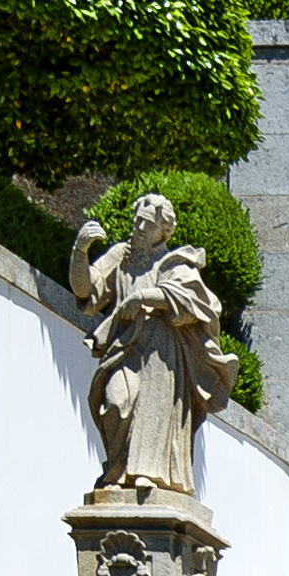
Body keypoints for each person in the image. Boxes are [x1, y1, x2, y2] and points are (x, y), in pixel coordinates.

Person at [68, 193, 231, 492]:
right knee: (116, 404)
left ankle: (149, 475)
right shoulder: (120, 256)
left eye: (147, 224)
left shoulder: (175, 262)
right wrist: (80, 251)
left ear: (163, 231)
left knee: (154, 412)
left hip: (162, 352)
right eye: (137, 222)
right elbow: (86, 290)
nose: (139, 228)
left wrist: (144, 297)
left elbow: (193, 300)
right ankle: (116, 472)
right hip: (124, 348)